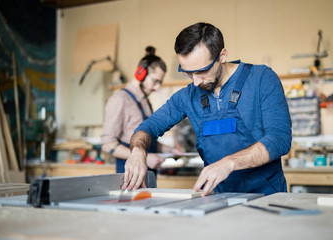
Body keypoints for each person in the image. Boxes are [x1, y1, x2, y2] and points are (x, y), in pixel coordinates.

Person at [122, 23, 292, 195]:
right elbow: (148, 127)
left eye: (202, 71)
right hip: (217, 199)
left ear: (222, 56)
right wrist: (138, 151)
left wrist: (229, 163)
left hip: (266, 197)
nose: (195, 81)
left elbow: (279, 139)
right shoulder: (188, 95)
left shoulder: (261, 78)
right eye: (187, 72)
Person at [101, 46, 180, 175]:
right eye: (155, 81)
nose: (157, 88)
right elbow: (108, 144)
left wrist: (168, 150)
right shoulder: (120, 99)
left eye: (160, 83)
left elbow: (146, 138)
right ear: (140, 73)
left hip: (148, 172)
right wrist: (145, 158)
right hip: (129, 174)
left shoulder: (145, 101)